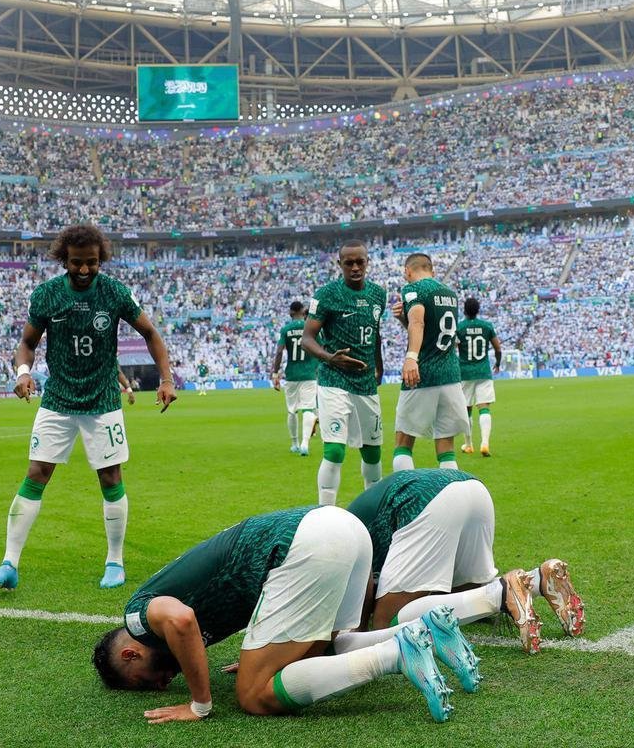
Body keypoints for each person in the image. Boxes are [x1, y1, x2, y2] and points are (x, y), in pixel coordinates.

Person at [92, 505, 474, 724]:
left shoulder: (137, 618)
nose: (159, 685)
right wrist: (264, 655)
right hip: (340, 527)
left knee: (255, 695)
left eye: (144, 681)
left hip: (308, 544)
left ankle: (396, 654)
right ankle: (423, 629)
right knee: (326, 648)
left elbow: (180, 621)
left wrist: (199, 704)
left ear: (131, 654)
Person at [0, 224, 177, 592]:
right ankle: (9, 563)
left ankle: (114, 562)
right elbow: (26, 343)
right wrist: (23, 372)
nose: (84, 270)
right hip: (57, 399)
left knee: (110, 478)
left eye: (91, 263)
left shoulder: (116, 293)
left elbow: (150, 333)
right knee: (36, 473)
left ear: (100, 259)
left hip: (103, 401)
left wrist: (166, 379)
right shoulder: (48, 295)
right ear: (64, 260)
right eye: (76, 263)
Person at [348, 468, 585, 651]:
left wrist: (355, 629)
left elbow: (361, 585)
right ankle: (539, 579)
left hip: (426, 500)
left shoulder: (336, 541)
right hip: (471, 488)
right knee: (463, 594)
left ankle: (502, 594)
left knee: (387, 622)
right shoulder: (337, 523)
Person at [300, 241, 387, 505]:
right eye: (349, 263)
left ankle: (372, 511)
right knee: (335, 450)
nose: (355, 267)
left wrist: (379, 366)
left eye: (360, 261)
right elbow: (307, 338)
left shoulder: (378, 295)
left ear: (367, 262)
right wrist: (330, 358)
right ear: (340, 265)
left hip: (365, 384)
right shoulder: (326, 295)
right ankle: (326, 513)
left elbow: (375, 334)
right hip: (333, 380)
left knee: (372, 453)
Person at [389, 254, 468, 472]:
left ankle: (407, 499)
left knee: (403, 442)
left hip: (423, 373)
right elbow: (429, 329)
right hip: (450, 375)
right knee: (446, 446)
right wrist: (401, 318)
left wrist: (411, 357)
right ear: (432, 271)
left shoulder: (413, 289)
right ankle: (452, 500)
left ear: (408, 272)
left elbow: (418, 322)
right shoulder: (450, 294)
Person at [271, 301, 318, 456]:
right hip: (309, 374)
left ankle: (294, 443)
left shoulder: (286, 329)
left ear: (291, 312)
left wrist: (275, 373)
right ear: (303, 312)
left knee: (292, 411)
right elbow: (321, 348)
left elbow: (279, 352)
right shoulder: (310, 327)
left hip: (292, 374)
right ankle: (305, 444)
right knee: (308, 408)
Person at [456, 297, 502, 457]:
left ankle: (468, 444)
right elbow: (497, 347)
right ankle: (485, 442)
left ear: (464, 310)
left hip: (465, 372)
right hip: (483, 371)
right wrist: (498, 362)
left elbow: (453, 347)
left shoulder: (459, 327)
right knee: (484, 408)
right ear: (478, 310)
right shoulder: (486, 326)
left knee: (466, 409)